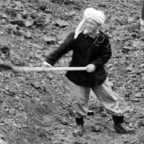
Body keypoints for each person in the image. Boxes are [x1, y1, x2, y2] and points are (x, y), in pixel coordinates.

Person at [43, 8, 133, 136]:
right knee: (79, 101)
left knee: (109, 97)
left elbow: (106, 54)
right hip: (77, 76)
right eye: (87, 22)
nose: (88, 25)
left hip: (97, 76)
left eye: (92, 24)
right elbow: (61, 49)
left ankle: (119, 123)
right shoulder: (76, 36)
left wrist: (95, 65)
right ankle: (79, 125)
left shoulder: (103, 38)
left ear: (98, 25)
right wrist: (49, 62)